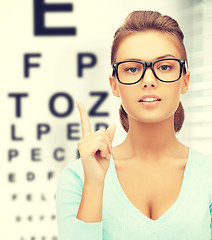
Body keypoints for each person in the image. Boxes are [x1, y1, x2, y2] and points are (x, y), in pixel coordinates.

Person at [56, 10, 212, 240]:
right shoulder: (78, 178)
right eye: (132, 69)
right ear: (115, 84)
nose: (149, 80)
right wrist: (95, 186)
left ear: (185, 80)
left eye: (165, 67)